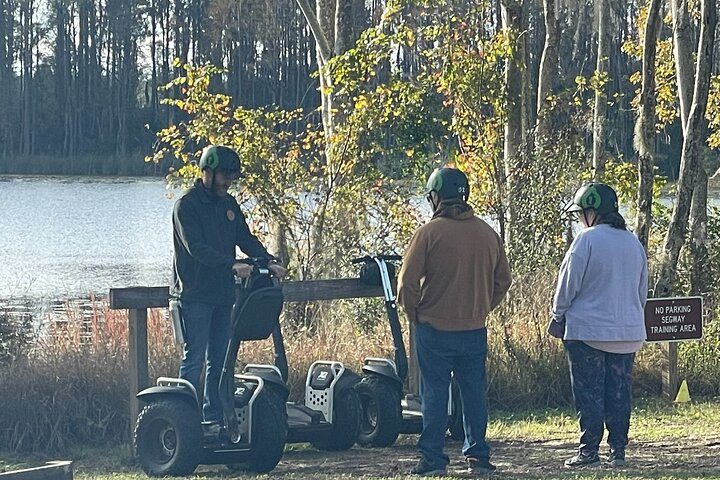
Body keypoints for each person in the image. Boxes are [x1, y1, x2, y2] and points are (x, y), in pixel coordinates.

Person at [398, 167, 512, 476]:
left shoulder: (428, 233)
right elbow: (503, 281)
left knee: (435, 392)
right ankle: (478, 456)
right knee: (474, 392)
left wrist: (414, 314)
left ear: (435, 197)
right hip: (474, 328)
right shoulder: (488, 233)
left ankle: (433, 460)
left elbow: (406, 283)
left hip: (433, 328)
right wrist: (483, 307)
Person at [171, 144, 287, 430]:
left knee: (220, 361)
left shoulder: (229, 205)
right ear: (206, 172)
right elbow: (195, 248)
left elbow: (245, 238)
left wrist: (268, 260)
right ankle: (184, 422)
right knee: (194, 359)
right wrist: (231, 264)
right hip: (195, 294)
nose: (228, 181)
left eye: (231, 176)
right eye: (224, 174)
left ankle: (213, 418)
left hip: (223, 295)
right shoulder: (186, 206)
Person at [548, 182, 648, 468]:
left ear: (592, 212)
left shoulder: (586, 240)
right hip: (627, 332)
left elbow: (567, 284)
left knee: (589, 394)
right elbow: (642, 292)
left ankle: (588, 452)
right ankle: (618, 451)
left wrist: (557, 315)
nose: (580, 219)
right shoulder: (633, 243)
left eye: (582, 213)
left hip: (587, 331)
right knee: (619, 393)